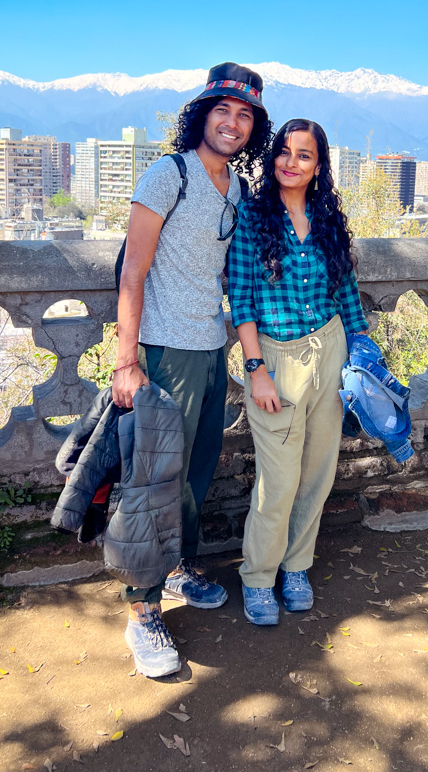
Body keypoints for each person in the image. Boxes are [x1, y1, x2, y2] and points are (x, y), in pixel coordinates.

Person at [113, 62, 271, 675]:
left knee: (197, 471)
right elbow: (133, 270)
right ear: (201, 115)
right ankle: (142, 612)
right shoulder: (168, 173)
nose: (232, 123)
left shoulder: (234, 186)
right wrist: (127, 360)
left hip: (211, 347)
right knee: (155, 480)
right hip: (162, 349)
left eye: (244, 115)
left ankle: (177, 568)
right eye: (222, 110)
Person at [227, 118, 369, 626]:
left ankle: (296, 567)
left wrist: (361, 351)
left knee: (317, 472)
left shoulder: (328, 216)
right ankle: (258, 577)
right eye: (283, 152)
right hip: (276, 356)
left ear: (318, 165)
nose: (291, 162)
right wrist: (256, 369)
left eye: (304, 155)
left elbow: (346, 293)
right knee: (278, 480)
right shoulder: (253, 216)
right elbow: (240, 299)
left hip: (329, 348)